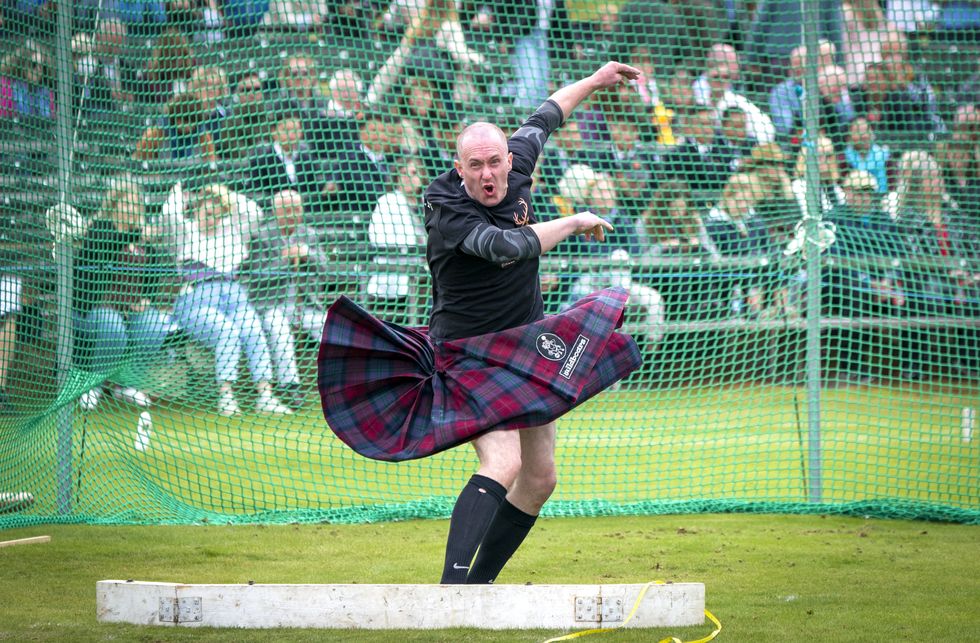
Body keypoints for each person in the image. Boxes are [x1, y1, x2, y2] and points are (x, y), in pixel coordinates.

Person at [317, 61, 643, 585]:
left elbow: (546, 116)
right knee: (504, 461)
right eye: (476, 166)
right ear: (459, 166)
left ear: (508, 160)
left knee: (540, 478)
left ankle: (479, 587)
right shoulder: (446, 211)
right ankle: (452, 591)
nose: (489, 175)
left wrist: (597, 79)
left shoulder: (515, 161)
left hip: (527, 343)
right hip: (468, 353)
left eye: (496, 163)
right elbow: (506, 247)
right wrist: (576, 220)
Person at [159, 181, 293, 416]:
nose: (211, 218)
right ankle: (226, 396)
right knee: (226, 331)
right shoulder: (184, 231)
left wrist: (226, 195)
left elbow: (254, 212)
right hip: (197, 297)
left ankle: (265, 396)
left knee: (253, 329)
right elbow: (168, 215)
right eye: (207, 212)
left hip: (234, 294)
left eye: (217, 213)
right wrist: (180, 191)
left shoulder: (232, 230)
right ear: (196, 209)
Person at [73, 179, 172, 412]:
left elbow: (152, 276)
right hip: (96, 306)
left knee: (154, 327)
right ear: (114, 205)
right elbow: (105, 246)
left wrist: (147, 299)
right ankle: (93, 385)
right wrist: (138, 233)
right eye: (125, 203)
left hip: (132, 308)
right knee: (113, 328)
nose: (131, 209)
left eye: (135, 205)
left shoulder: (143, 242)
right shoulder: (100, 229)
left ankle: (127, 384)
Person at [240, 189, 331, 410]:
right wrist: (285, 259)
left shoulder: (308, 234)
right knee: (278, 329)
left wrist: (307, 253)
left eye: (296, 209)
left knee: (333, 328)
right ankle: (291, 386)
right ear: (275, 211)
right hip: (272, 304)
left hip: (306, 305)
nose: (292, 214)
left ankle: (345, 385)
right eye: (287, 209)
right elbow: (257, 277)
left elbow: (326, 271)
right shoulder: (261, 236)